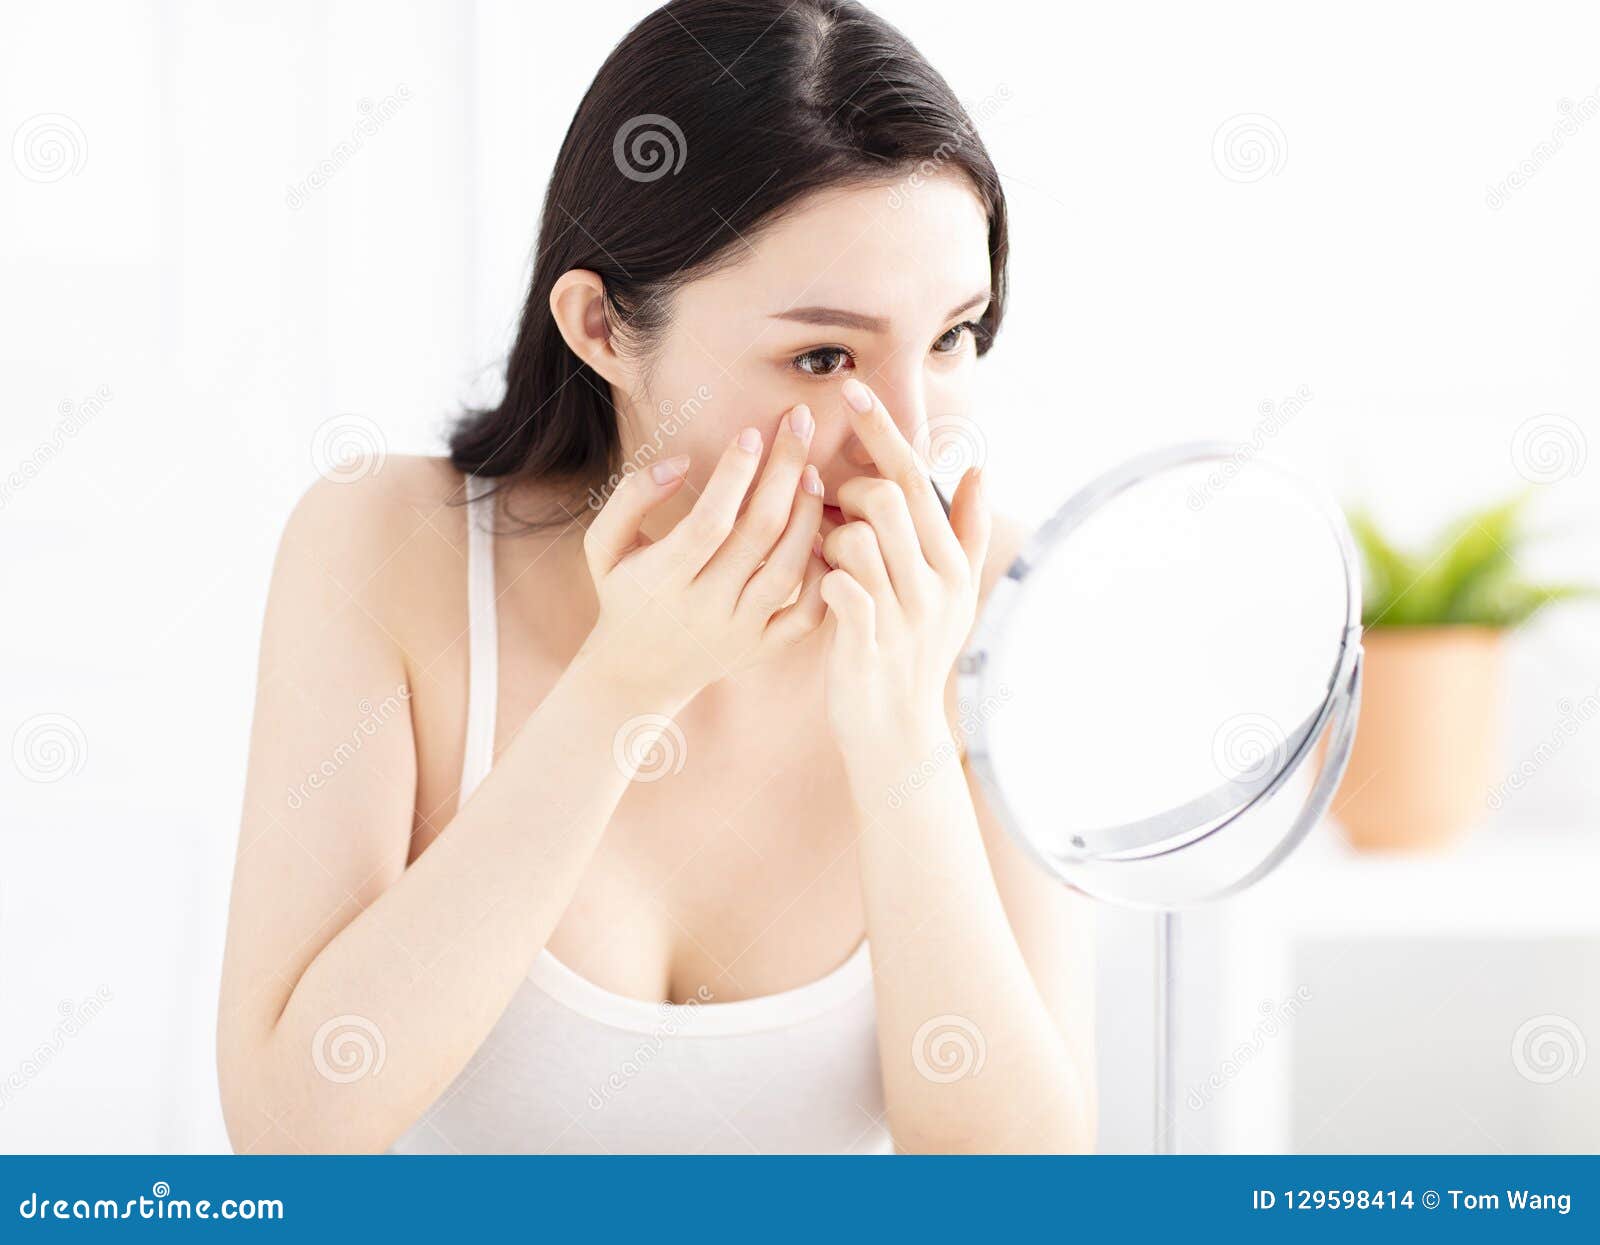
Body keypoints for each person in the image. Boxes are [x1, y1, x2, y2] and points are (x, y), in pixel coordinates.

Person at [218, 0, 1095, 1154]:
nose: (910, 435)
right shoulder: (387, 544)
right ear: (601, 329)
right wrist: (620, 694)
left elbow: (1019, 1201)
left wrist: (899, 739)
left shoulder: (986, 597)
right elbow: (295, 1137)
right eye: (822, 356)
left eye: (950, 337)